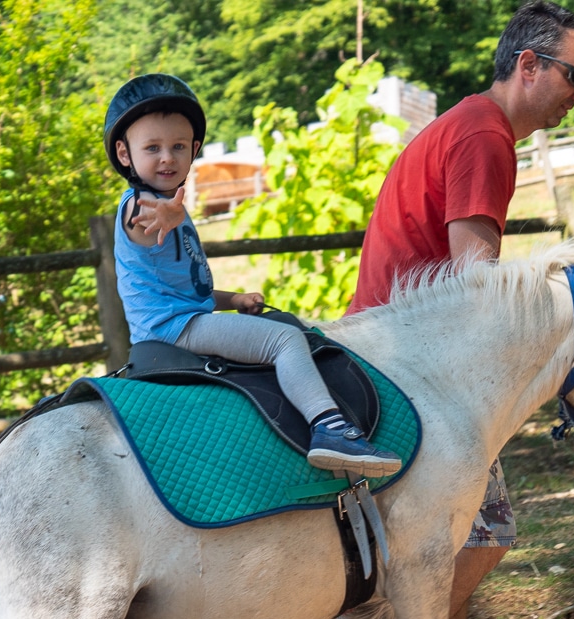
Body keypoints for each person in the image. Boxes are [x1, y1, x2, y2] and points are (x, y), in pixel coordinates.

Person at [319, 0, 574, 619]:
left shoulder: (468, 125)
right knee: (484, 533)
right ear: (529, 65)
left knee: (469, 539)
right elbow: (476, 285)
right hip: (414, 373)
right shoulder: (484, 136)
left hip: (388, 359)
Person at [105, 73, 401, 478]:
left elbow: (189, 289)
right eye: (152, 148)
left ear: (194, 150)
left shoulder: (170, 206)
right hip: (173, 330)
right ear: (125, 154)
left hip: (182, 319)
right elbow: (138, 219)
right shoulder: (140, 205)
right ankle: (328, 428)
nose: (167, 158)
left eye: (177, 147)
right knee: (284, 339)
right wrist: (169, 213)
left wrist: (233, 301)